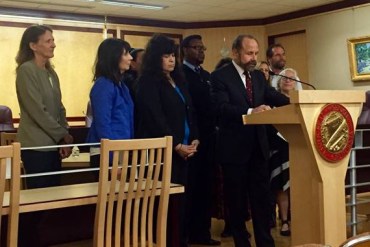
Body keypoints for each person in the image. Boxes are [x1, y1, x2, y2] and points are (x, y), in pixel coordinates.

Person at [210, 34, 289, 247]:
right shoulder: (220, 77)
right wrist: (251, 111)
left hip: (258, 149)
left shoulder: (257, 77)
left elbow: (272, 96)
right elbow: (221, 108)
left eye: (255, 53)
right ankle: (241, 242)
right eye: (248, 53)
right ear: (235, 53)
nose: (253, 58)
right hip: (234, 150)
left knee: (261, 201)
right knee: (236, 203)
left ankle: (265, 242)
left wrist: (297, 103)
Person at [135, 34, 199, 247]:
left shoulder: (178, 79)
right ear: (155, 57)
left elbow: (189, 111)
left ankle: (180, 240)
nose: (172, 60)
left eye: (173, 55)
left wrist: (195, 139)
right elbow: (155, 117)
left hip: (184, 151)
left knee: (182, 202)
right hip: (162, 153)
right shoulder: (147, 82)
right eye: (166, 56)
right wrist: (177, 144)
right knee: (164, 204)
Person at [15, 24, 73, 189]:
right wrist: (62, 135)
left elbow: (59, 107)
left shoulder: (51, 72)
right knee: (38, 200)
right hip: (36, 146)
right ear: (33, 46)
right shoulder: (26, 71)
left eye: (53, 40)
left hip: (54, 145)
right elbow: (38, 111)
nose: (53, 44)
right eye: (48, 41)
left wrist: (64, 135)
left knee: (54, 196)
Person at [181, 35, 220, 246]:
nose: (201, 52)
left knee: (206, 188)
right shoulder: (181, 74)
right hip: (191, 140)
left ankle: (202, 233)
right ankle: (185, 234)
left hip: (209, 139)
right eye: (196, 48)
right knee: (191, 189)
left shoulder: (206, 75)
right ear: (185, 50)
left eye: (202, 48)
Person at [86, 38, 134, 169]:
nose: (130, 57)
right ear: (114, 57)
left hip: (120, 149)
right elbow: (103, 124)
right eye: (126, 54)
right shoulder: (104, 84)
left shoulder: (120, 85)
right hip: (107, 153)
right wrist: (114, 156)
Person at [268, 68, 297, 236]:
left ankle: (297, 219)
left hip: (297, 147)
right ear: (278, 81)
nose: (288, 80)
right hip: (279, 147)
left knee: (295, 185)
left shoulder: (301, 100)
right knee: (282, 186)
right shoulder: (273, 99)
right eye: (284, 78)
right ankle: (284, 221)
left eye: (291, 78)